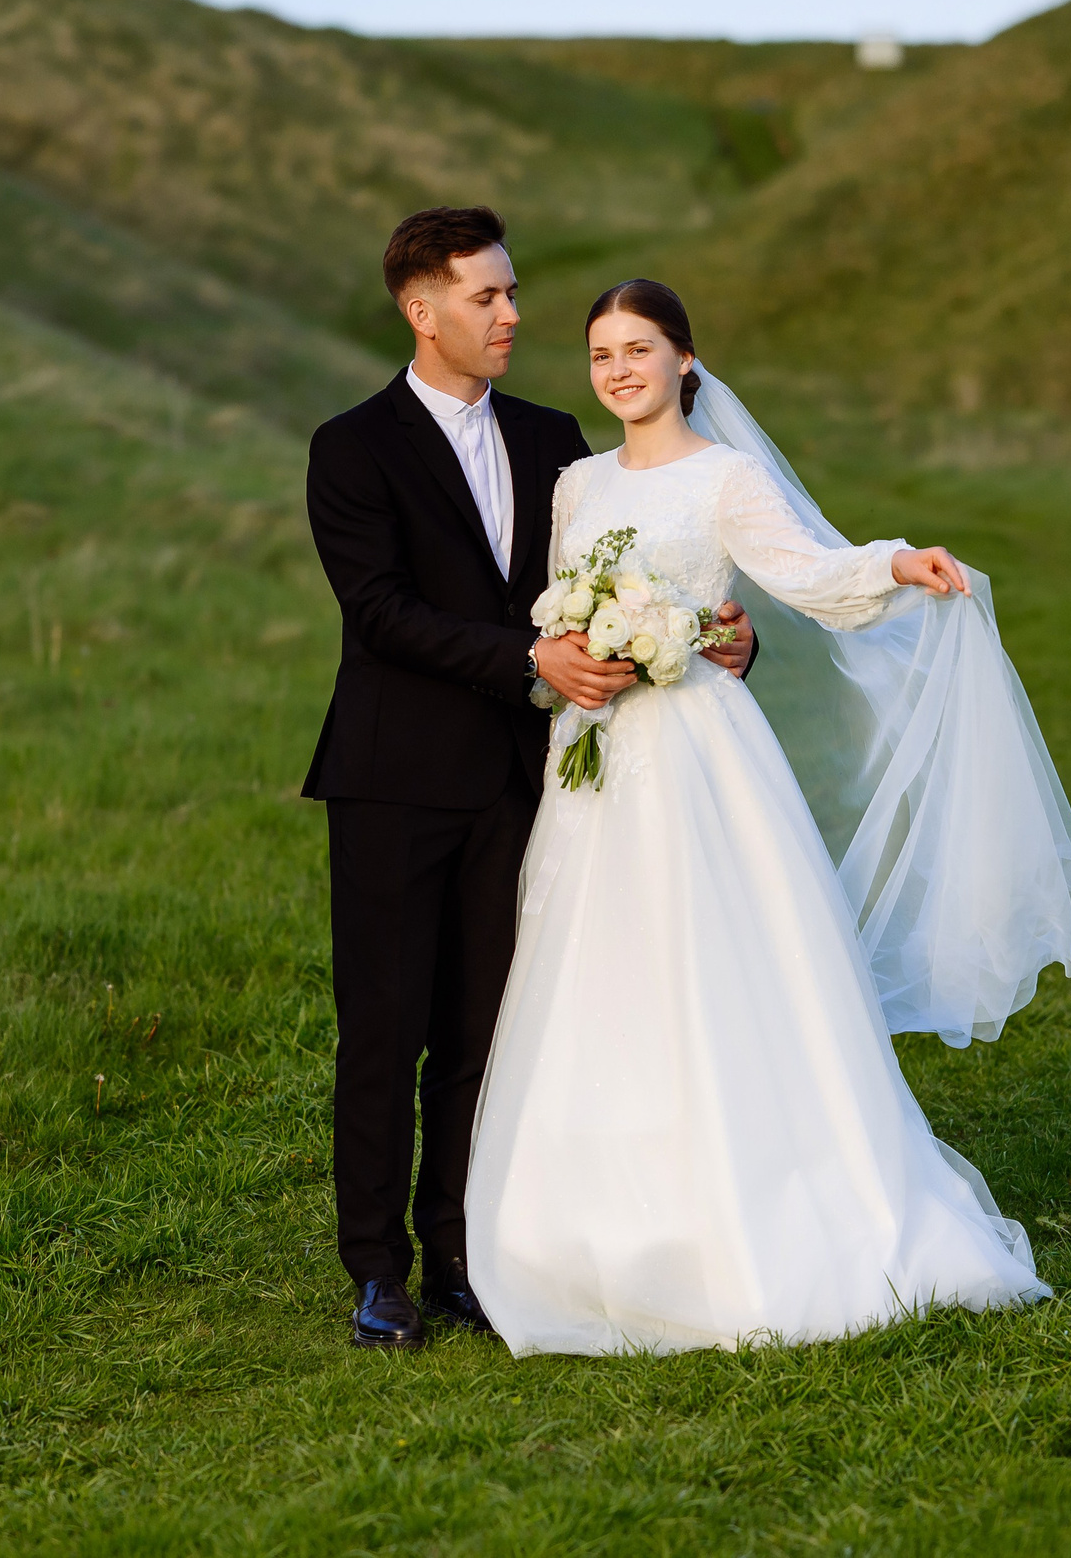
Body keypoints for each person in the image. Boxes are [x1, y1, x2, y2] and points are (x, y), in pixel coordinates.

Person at [463, 280, 1071, 1355]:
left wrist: (897, 561)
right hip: (593, 760)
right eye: (602, 352)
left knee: (710, 967)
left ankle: (748, 1213)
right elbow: (552, 606)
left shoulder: (726, 478)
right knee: (592, 970)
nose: (619, 370)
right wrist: (575, 650)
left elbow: (807, 572)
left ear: (685, 360)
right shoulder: (575, 484)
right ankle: (578, 1233)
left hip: (697, 756)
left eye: (640, 349)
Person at [303, 214, 754, 1349]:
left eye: (512, 293)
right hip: (393, 781)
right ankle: (377, 1269)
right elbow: (381, 613)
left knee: (483, 1031)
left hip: (531, 781)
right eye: (487, 297)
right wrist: (525, 658)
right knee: (385, 1027)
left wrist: (726, 640)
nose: (512, 315)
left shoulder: (560, 441)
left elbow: (651, 563)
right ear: (423, 310)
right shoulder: (349, 447)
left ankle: (460, 1251)